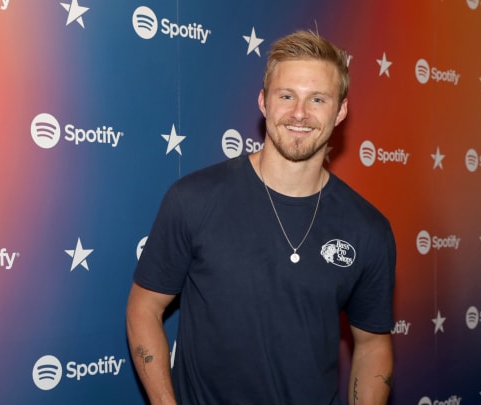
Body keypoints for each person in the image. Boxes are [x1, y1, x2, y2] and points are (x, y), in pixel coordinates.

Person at [126, 29, 396, 405]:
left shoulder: (368, 229)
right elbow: (144, 307)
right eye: (287, 96)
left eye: (317, 99)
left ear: (341, 111)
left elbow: (372, 343)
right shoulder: (194, 199)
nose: (299, 113)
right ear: (264, 102)